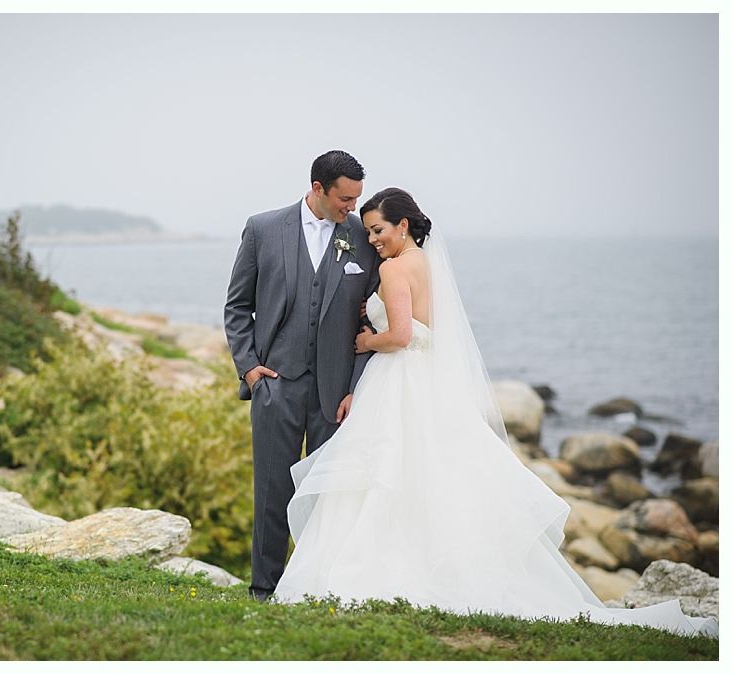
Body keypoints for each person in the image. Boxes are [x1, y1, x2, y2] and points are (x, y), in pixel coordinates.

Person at [272, 187, 718, 637]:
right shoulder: (424, 263)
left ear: (402, 225)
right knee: (428, 475)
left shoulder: (391, 269)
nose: (372, 240)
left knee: (387, 472)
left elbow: (403, 335)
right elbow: (428, 331)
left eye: (378, 230)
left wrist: (368, 341)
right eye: (368, 232)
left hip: (398, 378)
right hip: (422, 379)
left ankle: (376, 569)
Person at [224, 150, 382, 601]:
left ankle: (315, 587)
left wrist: (357, 385)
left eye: (357, 198)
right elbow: (237, 306)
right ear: (318, 189)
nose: (352, 207)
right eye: (345, 198)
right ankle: (264, 589)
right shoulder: (263, 229)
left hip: (336, 392)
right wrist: (251, 369)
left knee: (327, 497)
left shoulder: (359, 236)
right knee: (273, 491)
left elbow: (369, 315)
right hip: (276, 384)